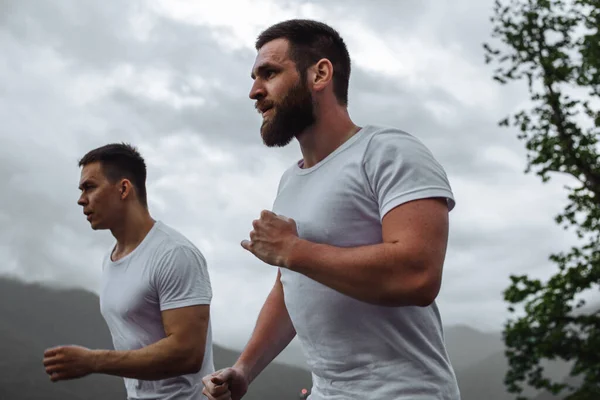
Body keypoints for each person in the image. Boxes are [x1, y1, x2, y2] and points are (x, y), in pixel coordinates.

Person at [202, 19, 461, 400]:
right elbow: (292, 284)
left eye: (269, 73)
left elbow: (418, 274)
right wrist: (244, 369)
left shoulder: (389, 151)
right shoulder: (290, 181)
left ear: (320, 73)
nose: (254, 91)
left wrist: (292, 249)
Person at [43, 143, 215, 400]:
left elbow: (188, 353)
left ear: (123, 188)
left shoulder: (174, 253)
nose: (81, 200)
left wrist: (93, 361)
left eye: (89, 187)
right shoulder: (109, 259)